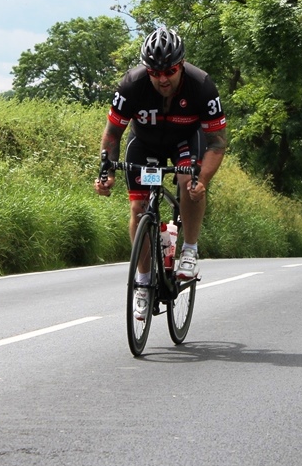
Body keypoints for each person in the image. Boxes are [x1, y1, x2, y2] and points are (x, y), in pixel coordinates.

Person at [94, 27, 228, 320]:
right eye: (155, 72)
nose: (162, 78)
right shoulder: (131, 85)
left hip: (185, 141)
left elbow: (218, 142)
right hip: (143, 144)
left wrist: (201, 179)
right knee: (139, 207)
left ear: (181, 65)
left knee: (187, 182)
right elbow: (113, 134)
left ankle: (189, 251)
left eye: (170, 71)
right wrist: (107, 171)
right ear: (146, 68)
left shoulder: (201, 85)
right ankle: (142, 283)